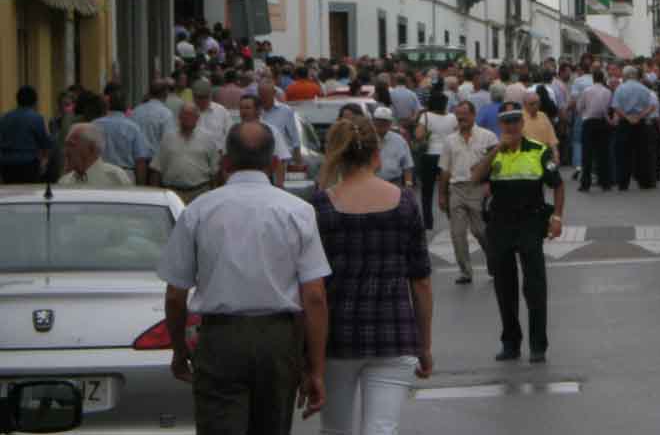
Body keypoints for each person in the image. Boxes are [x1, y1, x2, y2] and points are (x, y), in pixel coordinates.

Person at [157, 122, 331, 435]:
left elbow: (174, 294)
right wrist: (315, 367)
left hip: (220, 340)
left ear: (225, 162)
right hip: (278, 341)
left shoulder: (199, 210)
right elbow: (315, 297)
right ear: (274, 163)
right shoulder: (298, 211)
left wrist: (180, 348)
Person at [309, 118, 433, 435]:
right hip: (394, 334)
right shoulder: (405, 203)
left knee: (334, 429)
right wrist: (425, 344)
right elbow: (420, 280)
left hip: (337, 338)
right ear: (376, 155)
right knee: (381, 428)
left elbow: (313, 290)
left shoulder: (321, 207)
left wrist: (308, 357)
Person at [473, 102, 564, 364]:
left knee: (534, 286)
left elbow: (557, 185)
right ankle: (510, 343)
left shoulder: (539, 151)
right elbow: (475, 177)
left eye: (515, 122)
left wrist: (556, 217)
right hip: (500, 224)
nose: (511, 127)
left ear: (522, 125)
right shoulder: (495, 152)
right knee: (504, 287)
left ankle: (538, 346)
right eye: (506, 123)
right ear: (501, 126)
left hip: (529, 222)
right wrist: (495, 152)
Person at [438, 101, 498, 284]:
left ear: (473, 115)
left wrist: (490, 184)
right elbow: (445, 170)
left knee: (481, 231)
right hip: (456, 189)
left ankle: (494, 265)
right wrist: (442, 195)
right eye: (458, 116)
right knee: (457, 234)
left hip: (479, 189)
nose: (461, 118)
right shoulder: (450, 140)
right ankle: (465, 272)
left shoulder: (488, 137)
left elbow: (497, 165)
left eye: (464, 115)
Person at [149, 103, 220, 203]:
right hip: (172, 193)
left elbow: (215, 171)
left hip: (200, 193)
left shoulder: (208, 139)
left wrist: (214, 196)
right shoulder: (167, 138)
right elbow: (156, 169)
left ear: (197, 118)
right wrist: (155, 196)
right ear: (179, 117)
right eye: (185, 114)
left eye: (191, 115)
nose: (188, 118)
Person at [412, 92, 457, 231]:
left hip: (430, 156)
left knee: (427, 191)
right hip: (448, 156)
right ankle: (453, 218)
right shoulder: (453, 117)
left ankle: (428, 222)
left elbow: (418, 136)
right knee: (449, 190)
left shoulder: (425, 117)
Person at [94, 84, 152, 184]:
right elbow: (140, 161)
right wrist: (141, 185)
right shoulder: (133, 128)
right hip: (126, 176)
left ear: (107, 104)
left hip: (99, 176)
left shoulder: (94, 125)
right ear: (125, 105)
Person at [611, 66, 657, 190]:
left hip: (625, 123)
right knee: (642, 153)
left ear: (625, 76)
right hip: (640, 123)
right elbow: (652, 106)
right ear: (636, 75)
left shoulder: (620, 88)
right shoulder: (644, 89)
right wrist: (640, 116)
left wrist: (626, 117)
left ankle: (623, 182)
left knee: (623, 154)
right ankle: (644, 181)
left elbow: (615, 106)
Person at [0, 85, 51, 184]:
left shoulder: (5, 118)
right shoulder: (36, 118)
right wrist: (44, 160)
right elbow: (45, 142)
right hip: (29, 164)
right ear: (34, 102)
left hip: (7, 164)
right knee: (29, 193)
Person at [238, 94, 291, 189]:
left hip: (264, 183)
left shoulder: (271, 131)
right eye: (241, 108)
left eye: (247, 108)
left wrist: (279, 186)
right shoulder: (234, 131)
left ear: (258, 111)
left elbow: (281, 160)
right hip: (238, 183)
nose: (243, 111)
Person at [57, 123, 133, 187]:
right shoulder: (65, 182)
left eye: (71, 145)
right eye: (66, 145)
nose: (65, 151)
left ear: (92, 148)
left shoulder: (115, 177)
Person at [578, 69, 612, 192]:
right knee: (603, 153)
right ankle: (605, 182)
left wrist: (584, 114)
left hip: (588, 122)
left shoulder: (586, 91)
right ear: (602, 79)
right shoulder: (608, 92)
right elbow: (609, 107)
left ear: (593, 79)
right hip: (602, 122)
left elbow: (580, 107)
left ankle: (585, 183)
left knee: (587, 154)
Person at [260, 81, 302, 164]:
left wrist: (298, 162)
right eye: (261, 94)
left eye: (266, 94)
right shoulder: (256, 110)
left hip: (282, 160)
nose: (263, 98)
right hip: (261, 160)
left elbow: (295, 139)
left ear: (274, 93)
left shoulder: (285, 111)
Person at [372, 106, 414, 188]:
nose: (381, 123)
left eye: (385, 121)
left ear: (390, 123)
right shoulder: (366, 138)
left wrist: (408, 185)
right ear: (374, 121)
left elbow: (407, 165)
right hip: (371, 184)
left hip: (393, 183)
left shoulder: (399, 140)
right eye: (378, 120)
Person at [131, 81, 175, 157]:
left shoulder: (136, 111)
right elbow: (169, 141)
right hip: (156, 161)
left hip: (137, 160)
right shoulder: (166, 114)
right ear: (165, 94)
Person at [522, 92, 560, 164]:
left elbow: (552, 138)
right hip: (526, 158)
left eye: (537, 103)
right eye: (532, 104)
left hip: (544, 157)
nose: (535, 106)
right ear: (524, 104)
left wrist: (556, 154)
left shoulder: (543, 116)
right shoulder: (519, 119)